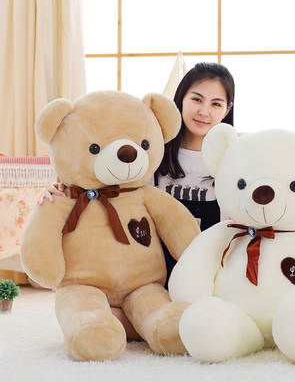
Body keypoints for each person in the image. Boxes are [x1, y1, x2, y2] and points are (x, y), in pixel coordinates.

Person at [37, 62, 235, 339]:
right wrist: (62, 190)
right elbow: (105, 186)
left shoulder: (232, 160)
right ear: (180, 99)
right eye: (197, 99)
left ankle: (146, 324)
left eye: (216, 104)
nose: (204, 111)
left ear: (227, 109)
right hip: (152, 273)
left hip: (206, 271)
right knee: (111, 308)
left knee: (206, 317)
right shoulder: (151, 151)